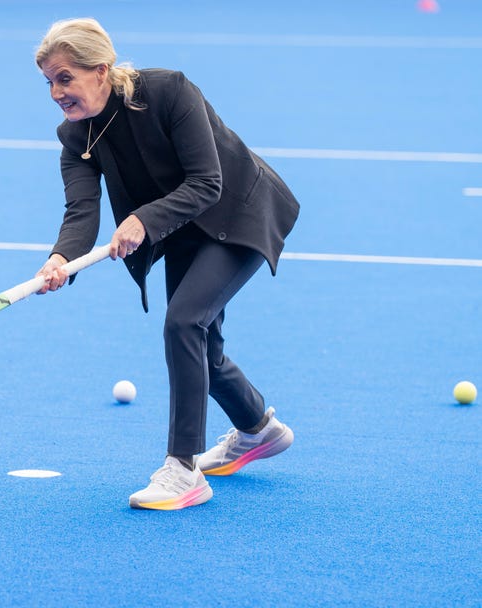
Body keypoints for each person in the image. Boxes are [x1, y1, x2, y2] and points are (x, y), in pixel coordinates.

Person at [34, 18, 300, 510]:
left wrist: (141, 220)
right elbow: (81, 213)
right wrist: (60, 260)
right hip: (180, 228)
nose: (55, 92)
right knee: (202, 347)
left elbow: (206, 182)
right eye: (48, 81)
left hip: (238, 213)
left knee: (183, 323)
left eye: (64, 77)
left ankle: (183, 470)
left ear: (101, 69)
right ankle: (259, 429)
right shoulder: (76, 137)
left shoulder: (167, 91)